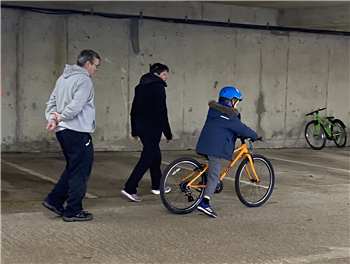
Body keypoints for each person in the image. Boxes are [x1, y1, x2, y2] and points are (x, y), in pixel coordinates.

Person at [43, 49, 100, 222]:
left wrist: (53, 118)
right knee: (81, 171)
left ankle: (54, 200)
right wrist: (62, 116)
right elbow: (77, 105)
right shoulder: (84, 80)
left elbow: (51, 102)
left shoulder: (63, 78)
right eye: (96, 65)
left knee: (73, 168)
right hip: (77, 131)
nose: (97, 69)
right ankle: (73, 210)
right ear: (88, 63)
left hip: (63, 131)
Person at [195, 86, 259, 218]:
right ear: (232, 100)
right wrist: (255, 136)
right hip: (214, 148)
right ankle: (205, 202)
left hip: (204, 144)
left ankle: (203, 183)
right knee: (214, 177)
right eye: (236, 101)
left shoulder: (214, 110)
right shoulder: (229, 115)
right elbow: (242, 128)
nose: (236, 104)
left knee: (210, 169)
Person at [121, 63, 172, 202]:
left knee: (155, 155)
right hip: (152, 128)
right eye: (164, 74)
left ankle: (157, 185)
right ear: (156, 74)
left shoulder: (140, 87)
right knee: (147, 158)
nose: (166, 78)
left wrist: (134, 129)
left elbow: (134, 109)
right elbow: (161, 112)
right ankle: (129, 188)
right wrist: (168, 133)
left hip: (141, 127)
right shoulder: (158, 87)